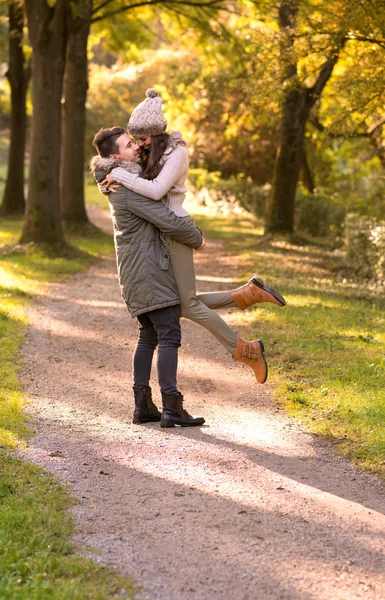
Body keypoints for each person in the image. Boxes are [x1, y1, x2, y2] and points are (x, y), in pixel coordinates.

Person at [101, 89, 286, 382]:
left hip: (176, 229)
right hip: (164, 232)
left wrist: (119, 177)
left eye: (142, 138)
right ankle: (248, 294)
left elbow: (156, 190)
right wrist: (106, 179)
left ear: (156, 132)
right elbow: (128, 175)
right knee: (181, 301)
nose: (139, 144)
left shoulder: (177, 153)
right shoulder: (154, 152)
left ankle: (246, 351)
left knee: (185, 304)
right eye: (134, 140)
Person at [91, 126, 205, 428]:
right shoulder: (125, 187)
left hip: (136, 271)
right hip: (149, 271)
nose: (136, 148)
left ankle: (143, 406)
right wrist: (196, 237)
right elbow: (166, 218)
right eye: (129, 145)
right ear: (116, 156)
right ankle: (172, 406)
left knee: (149, 335)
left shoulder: (119, 180)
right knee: (169, 334)